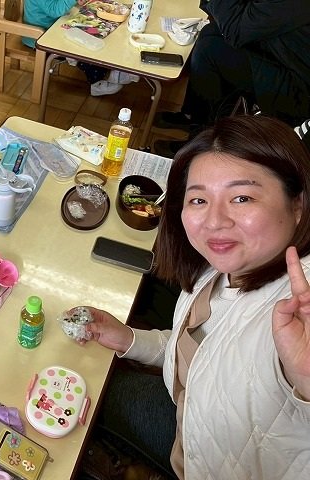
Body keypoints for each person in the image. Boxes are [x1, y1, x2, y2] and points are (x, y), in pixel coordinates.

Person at [78, 115, 310, 479]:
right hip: (185, 428)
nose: (214, 221)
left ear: (297, 205)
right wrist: (129, 339)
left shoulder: (298, 301)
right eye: (199, 199)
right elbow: (203, 354)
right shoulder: (218, 270)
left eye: (242, 197)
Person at [152, 0, 310, 157]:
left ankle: (203, 145)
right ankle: (195, 118)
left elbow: (235, 31)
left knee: (211, 49)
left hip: (296, 89)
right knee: (210, 33)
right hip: (278, 52)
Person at [23, 0, 139, 96]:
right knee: (82, 50)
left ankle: (110, 68)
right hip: (39, 38)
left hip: (55, 29)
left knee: (94, 35)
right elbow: (55, 10)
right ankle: (98, 82)